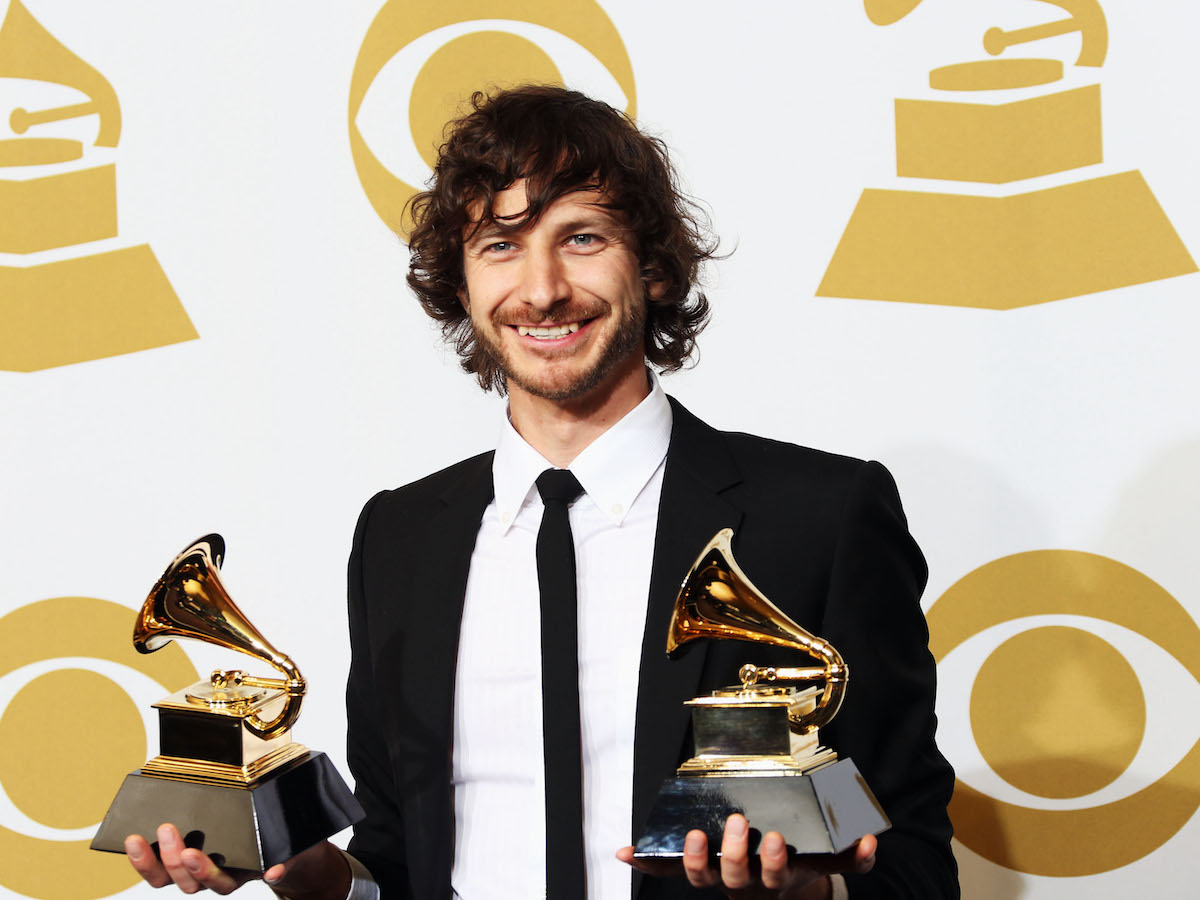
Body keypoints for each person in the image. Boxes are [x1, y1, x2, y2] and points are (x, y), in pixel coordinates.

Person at [126, 85, 958, 899]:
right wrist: (309, 877)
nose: (543, 289)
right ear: (460, 286)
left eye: (583, 238)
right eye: (499, 246)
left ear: (655, 268)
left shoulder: (822, 515)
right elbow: (396, 854)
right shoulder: (399, 537)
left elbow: (913, 861)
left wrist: (805, 895)